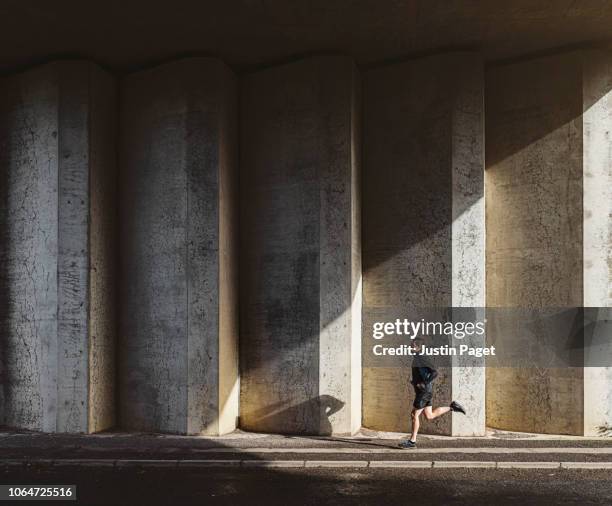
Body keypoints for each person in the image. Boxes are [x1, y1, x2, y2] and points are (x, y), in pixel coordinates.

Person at [399, 337, 466, 449]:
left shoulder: (422, 357)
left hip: (424, 392)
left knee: (414, 415)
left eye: (413, 346)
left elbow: (434, 372)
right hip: (425, 391)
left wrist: (424, 383)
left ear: (419, 347)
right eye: (410, 345)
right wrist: (415, 381)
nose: (410, 347)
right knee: (429, 416)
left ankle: (412, 442)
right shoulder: (417, 358)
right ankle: (452, 407)